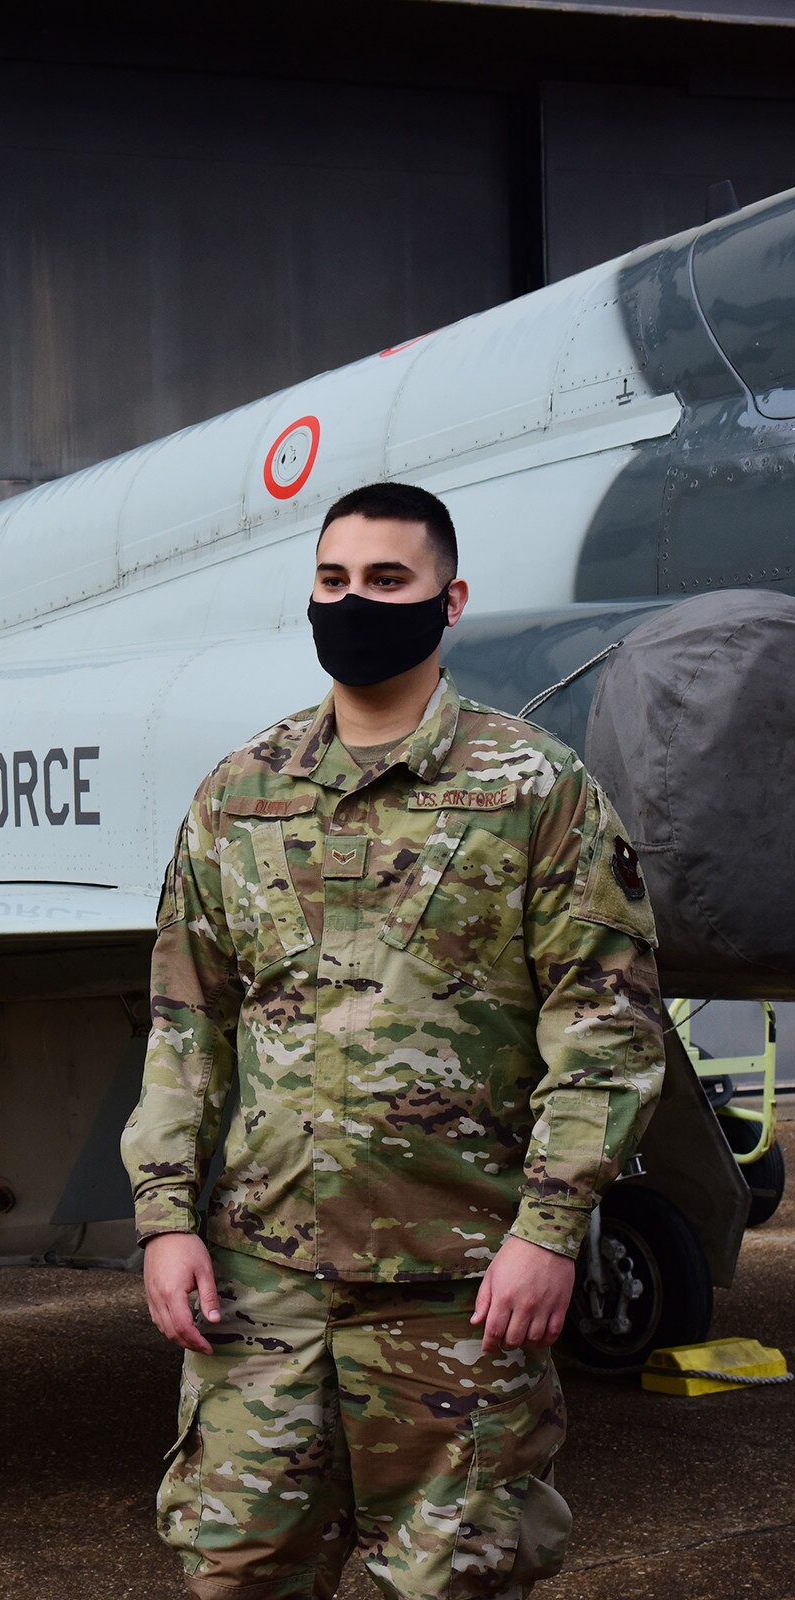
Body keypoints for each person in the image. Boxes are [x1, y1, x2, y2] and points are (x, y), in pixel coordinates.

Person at [121, 481, 665, 1600]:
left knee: (447, 1580)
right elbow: (186, 1028)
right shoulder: (238, 796)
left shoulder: (533, 791)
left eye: (384, 580)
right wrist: (162, 1218)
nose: (353, 602)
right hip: (259, 1284)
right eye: (331, 580)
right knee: (235, 1569)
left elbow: (603, 1028)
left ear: (447, 599)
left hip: (457, 1283)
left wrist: (551, 1230)